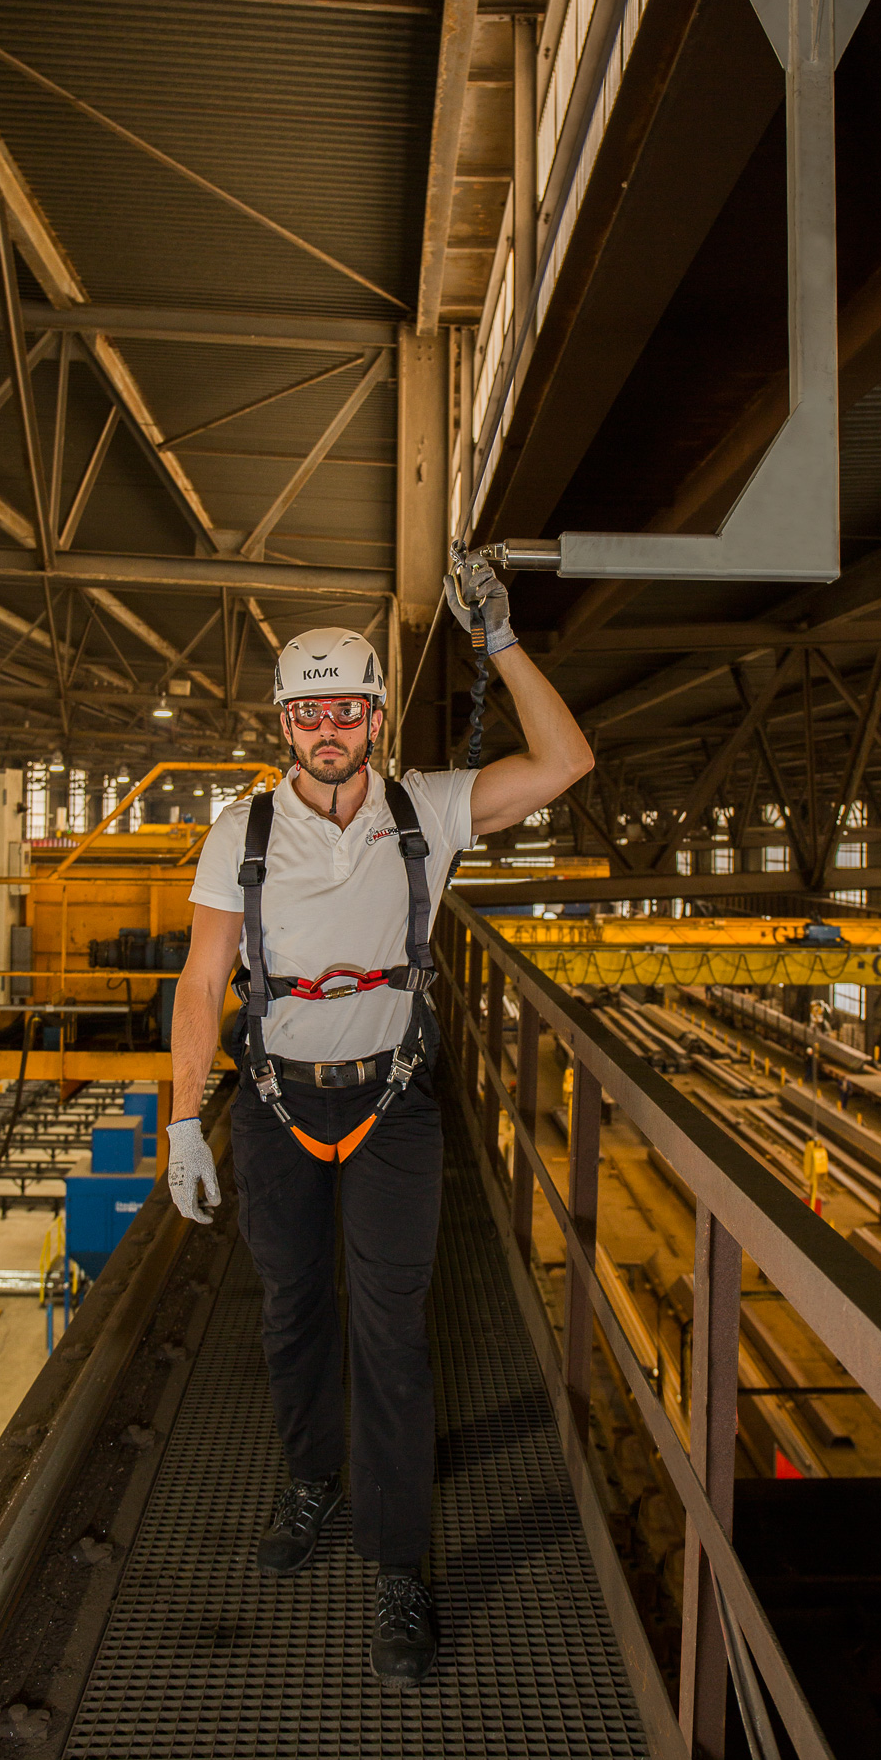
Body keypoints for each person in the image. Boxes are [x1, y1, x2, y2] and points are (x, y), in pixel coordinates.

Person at [166, 551, 592, 1689]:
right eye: (307, 711)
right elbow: (203, 982)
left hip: (393, 1099)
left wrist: (499, 635)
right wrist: (177, 1123)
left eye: (345, 707)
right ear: (287, 721)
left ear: (373, 714)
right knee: (295, 1312)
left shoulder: (431, 808)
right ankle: (314, 1478)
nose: (326, 728)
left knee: (391, 1327)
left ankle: (398, 1559)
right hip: (272, 1108)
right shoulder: (241, 830)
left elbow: (565, 760)